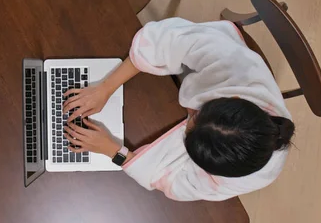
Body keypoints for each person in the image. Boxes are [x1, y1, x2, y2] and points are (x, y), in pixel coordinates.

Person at [62, 17, 295, 201]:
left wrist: (113, 150)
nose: (188, 119)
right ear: (231, 97)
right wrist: (105, 87)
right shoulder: (238, 68)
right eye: (197, 114)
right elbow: (168, 40)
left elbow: (176, 186)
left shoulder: (243, 180)